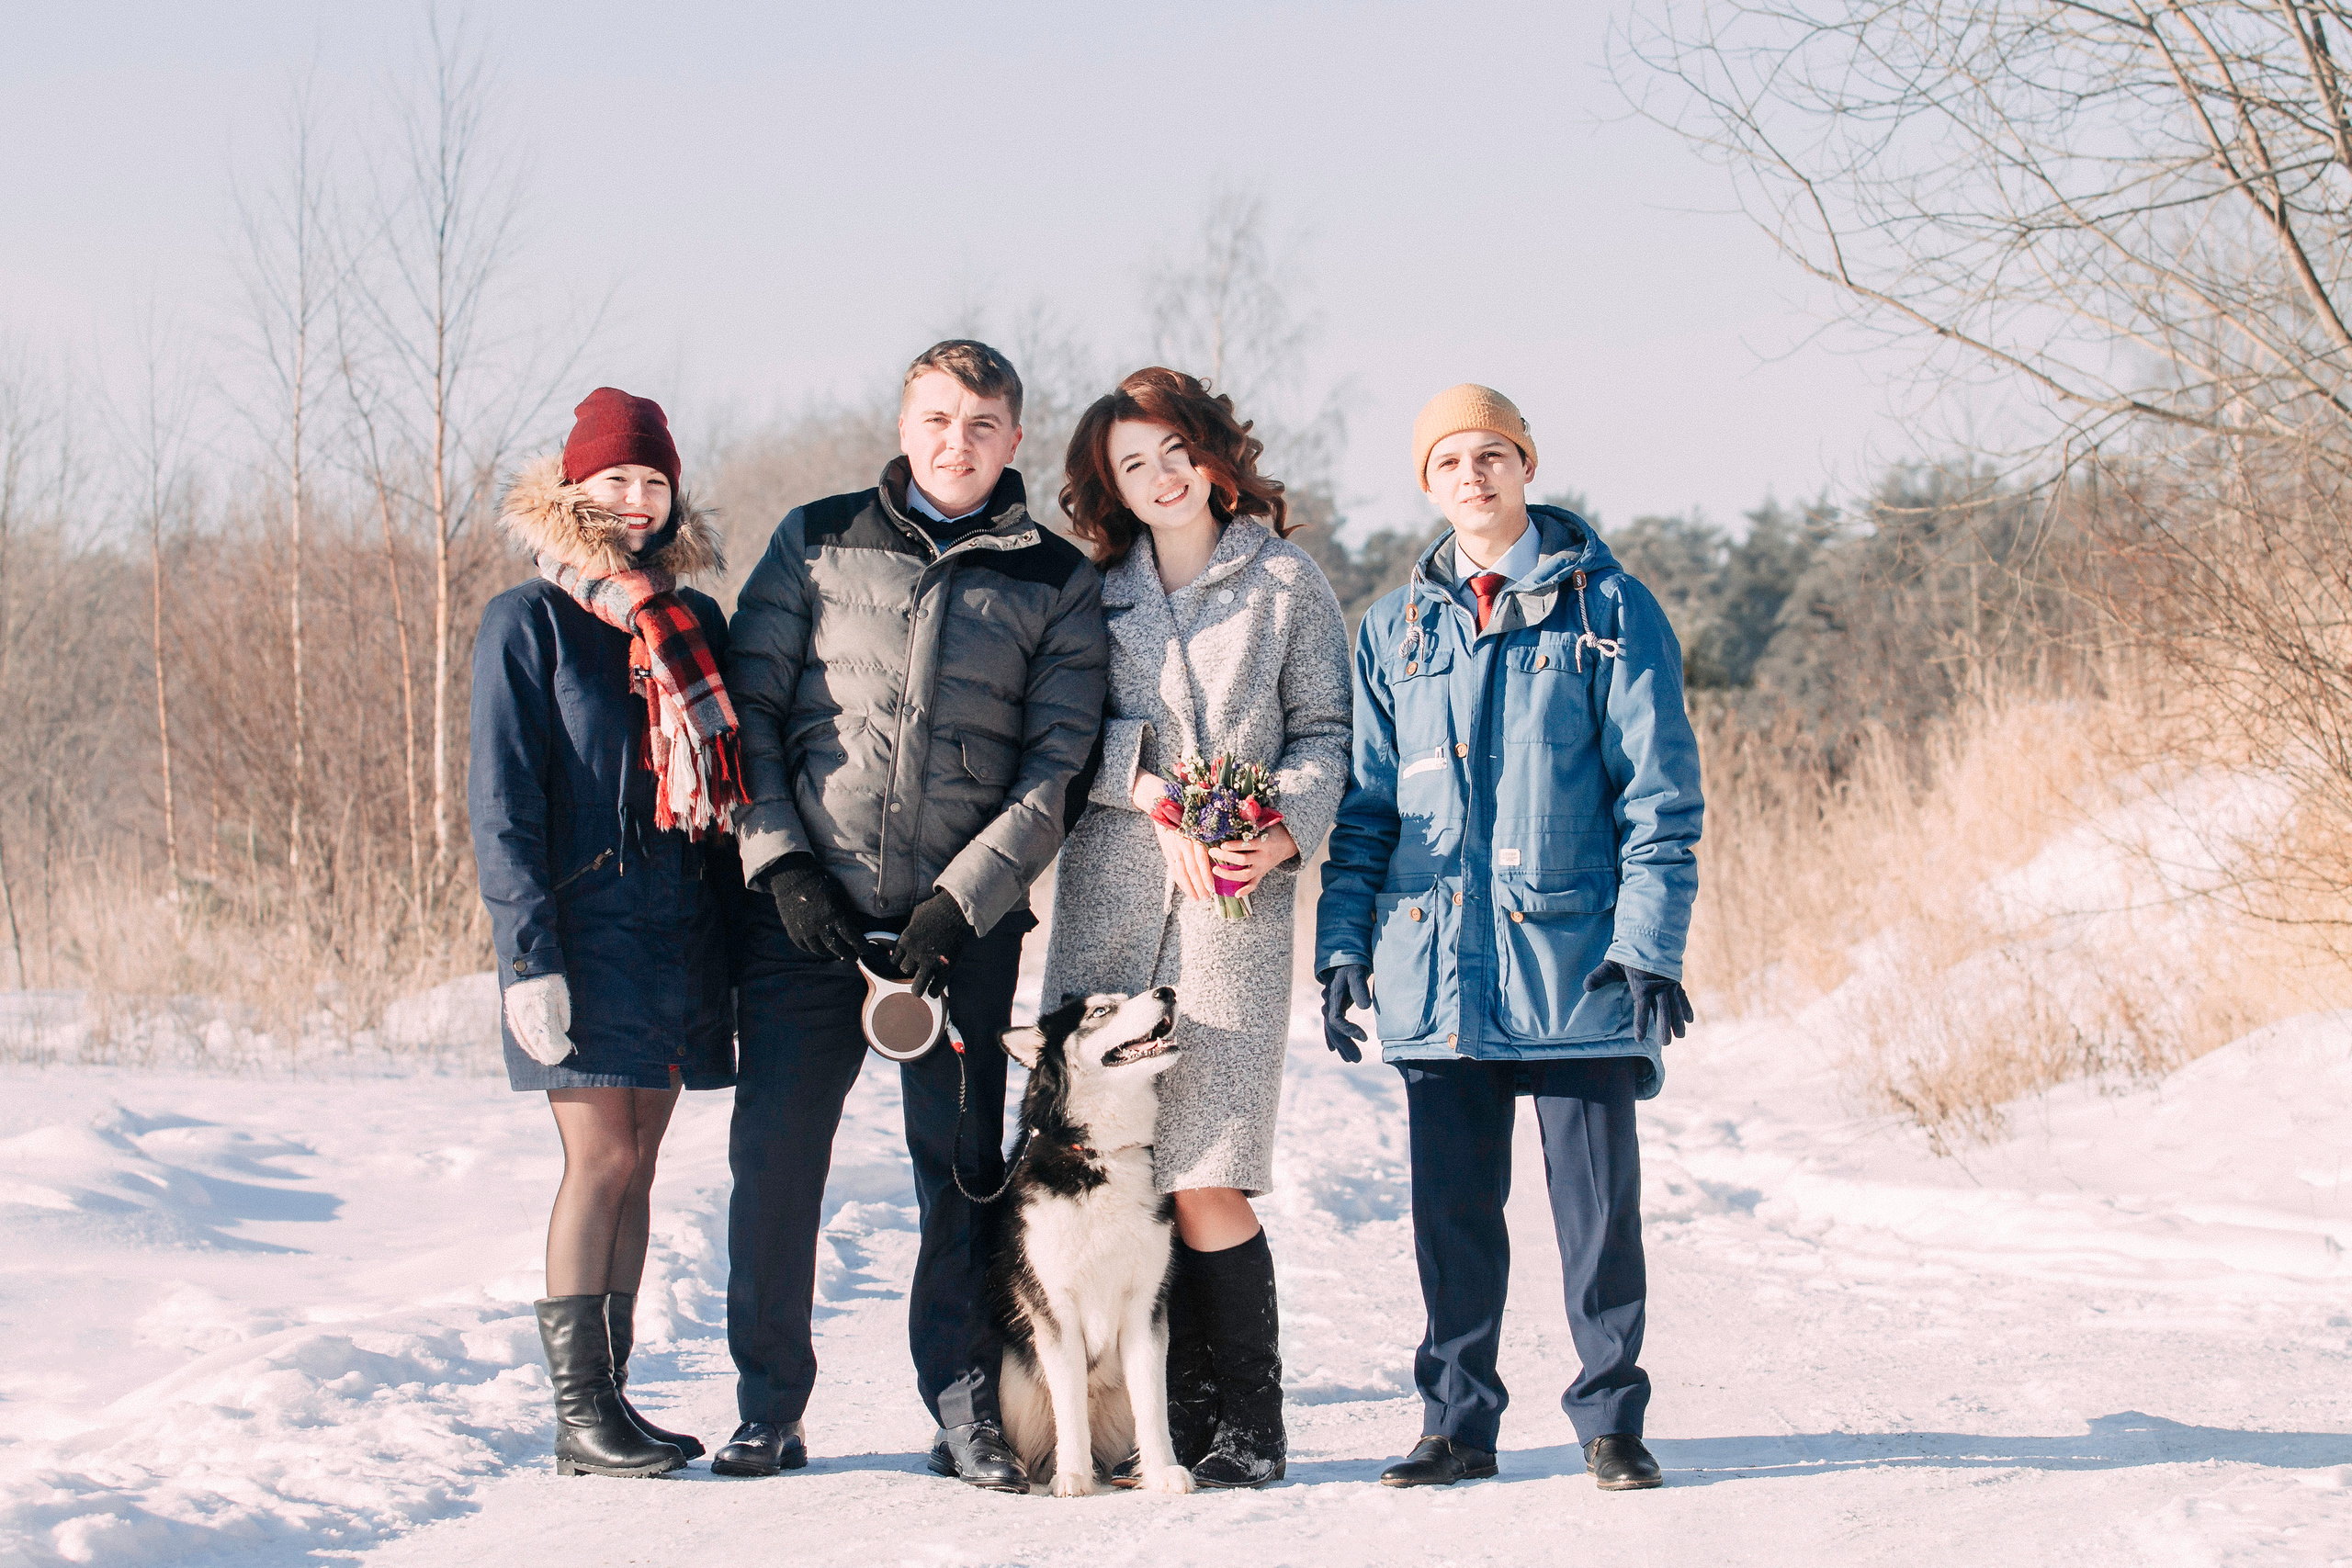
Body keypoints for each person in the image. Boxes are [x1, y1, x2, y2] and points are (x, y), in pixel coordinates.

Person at [719, 341, 1107, 1490]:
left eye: (982, 424)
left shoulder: (1057, 578)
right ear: (904, 421)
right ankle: (767, 1408)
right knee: (778, 1163)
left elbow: (1057, 770)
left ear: (1015, 440)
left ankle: (964, 1408)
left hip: (960, 938)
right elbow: (747, 711)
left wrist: (959, 904)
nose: (956, 442)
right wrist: (779, 862)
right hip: (806, 925)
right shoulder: (816, 538)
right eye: (937, 419)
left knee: (961, 1171)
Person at [1315, 384, 1702, 1492]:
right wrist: (1345, 942)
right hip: (1434, 970)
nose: (1472, 477)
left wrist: (1649, 946)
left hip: (1574, 964)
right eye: (1448, 462)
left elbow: (1659, 800)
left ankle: (1611, 1422)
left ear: (1526, 466)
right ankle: (1456, 1425)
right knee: (1451, 1222)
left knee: (1597, 1220)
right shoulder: (1395, 630)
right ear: (1427, 484)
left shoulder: (1609, 612)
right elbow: (1367, 812)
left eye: (1492, 455)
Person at [1044, 367, 1352, 1489]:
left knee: (1207, 1169)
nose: (1161, 476)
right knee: (1115, 1169)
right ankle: (1154, 1429)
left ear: (1214, 455)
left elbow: (1325, 728)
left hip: (1235, 910)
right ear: (1111, 487)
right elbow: (1067, 728)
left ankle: (1250, 1430)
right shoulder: (1093, 593)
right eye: (1135, 464)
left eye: (1175, 451)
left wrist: (1281, 832)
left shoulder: (1283, 583)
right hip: (1113, 910)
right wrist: (1147, 789)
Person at [471, 388, 745, 1479]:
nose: (636, 500)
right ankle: (578, 1414)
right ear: (573, 490)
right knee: (601, 1158)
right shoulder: (525, 622)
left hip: (677, 931)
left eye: (652, 480)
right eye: (614, 480)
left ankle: (613, 1408)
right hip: (580, 936)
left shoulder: (694, 622)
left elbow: (724, 796)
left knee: (642, 1169)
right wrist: (525, 956)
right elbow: (502, 803)